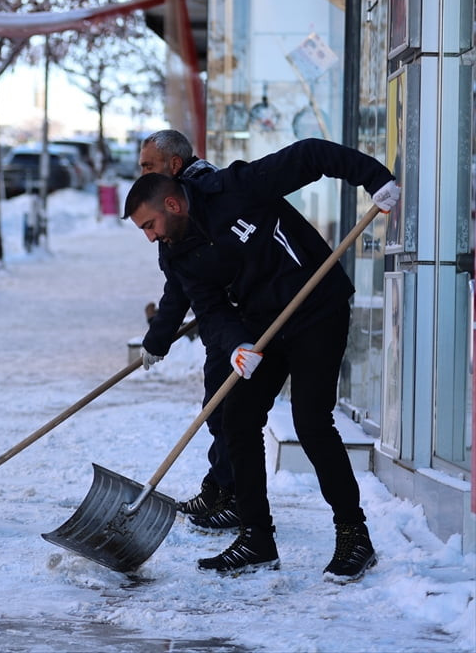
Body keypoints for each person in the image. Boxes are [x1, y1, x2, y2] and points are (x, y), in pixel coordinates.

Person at [122, 138, 400, 581]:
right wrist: (234, 346)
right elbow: (209, 310)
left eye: (150, 224)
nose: (150, 235)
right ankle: (257, 537)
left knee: (311, 421)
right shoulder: (176, 252)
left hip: (316, 309)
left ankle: (354, 535)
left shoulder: (235, 188)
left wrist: (375, 178)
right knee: (237, 419)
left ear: (173, 203)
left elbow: (311, 155)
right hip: (261, 328)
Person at [136, 130, 237, 532]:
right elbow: (176, 283)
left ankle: (235, 496)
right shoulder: (172, 202)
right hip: (220, 320)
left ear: (174, 165)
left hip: (240, 321)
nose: (141, 173)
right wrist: (157, 339)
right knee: (217, 408)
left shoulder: (204, 194)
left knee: (231, 412)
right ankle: (219, 487)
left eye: (148, 166)